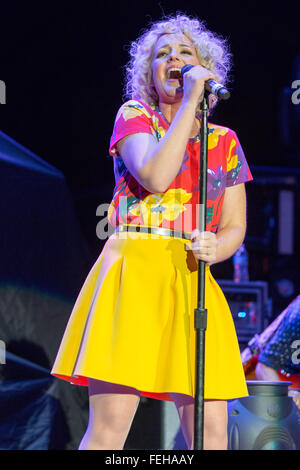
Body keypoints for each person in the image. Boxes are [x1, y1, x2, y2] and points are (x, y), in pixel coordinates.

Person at [51, 14, 253, 450]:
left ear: (206, 67)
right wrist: (187, 107)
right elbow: (157, 176)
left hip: (191, 278)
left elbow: (235, 226)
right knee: (110, 428)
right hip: (135, 273)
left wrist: (215, 248)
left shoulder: (225, 141)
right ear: (150, 73)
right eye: (163, 54)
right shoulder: (135, 117)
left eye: (184, 53)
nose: (174, 59)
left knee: (211, 432)